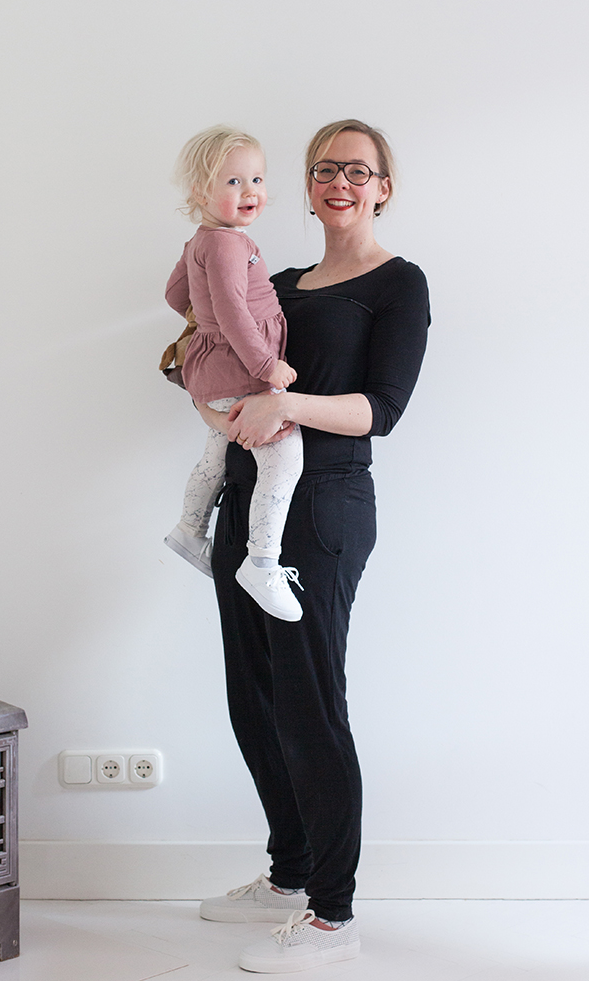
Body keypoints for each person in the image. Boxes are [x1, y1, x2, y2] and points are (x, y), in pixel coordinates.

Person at [197, 119, 430, 973]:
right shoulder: (276, 278)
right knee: (252, 697)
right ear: (306, 184)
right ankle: (290, 872)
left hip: (325, 507)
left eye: (357, 170)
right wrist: (205, 392)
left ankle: (335, 913)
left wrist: (287, 407)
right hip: (247, 497)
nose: (340, 181)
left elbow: (381, 411)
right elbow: (224, 355)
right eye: (324, 169)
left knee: (308, 703)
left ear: (383, 186)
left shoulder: (398, 283)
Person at [164, 126, 305, 622]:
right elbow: (231, 314)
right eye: (233, 182)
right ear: (201, 192)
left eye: (258, 179)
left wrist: (202, 316)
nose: (251, 192)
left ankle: (188, 530)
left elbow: (174, 297)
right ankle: (262, 561)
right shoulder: (228, 244)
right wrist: (267, 365)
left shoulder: (200, 240)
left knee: (218, 453)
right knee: (283, 457)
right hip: (241, 370)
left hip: (214, 367)